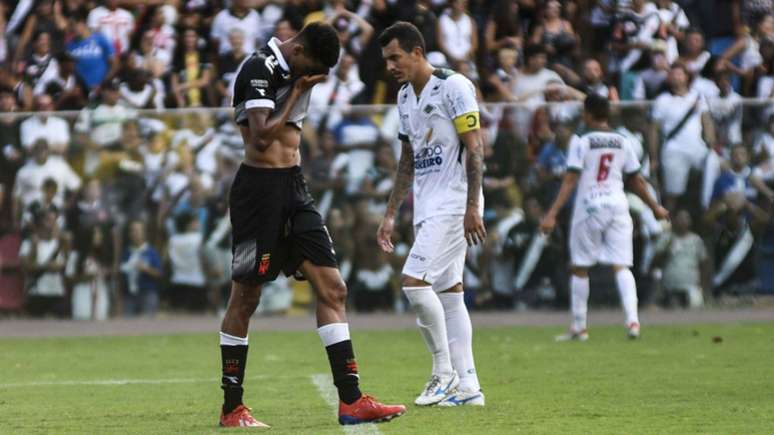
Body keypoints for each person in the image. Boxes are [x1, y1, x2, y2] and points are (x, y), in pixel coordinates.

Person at [220, 22, 405, 428]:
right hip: (257, 195)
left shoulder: (291, 71)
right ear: (298, 49)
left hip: (294, 189)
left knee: (334, 288)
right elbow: (261, 140)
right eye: (310, 68)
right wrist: (299, 94)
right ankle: (232, 407)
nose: (308, 77)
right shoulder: (258, 69)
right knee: (246, 297)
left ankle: (352, 401)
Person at [377, 21, 486, 407]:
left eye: (395, 57)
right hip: (427, 205)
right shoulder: (405, 96)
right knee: (449, 293)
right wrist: (391, 214)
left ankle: (443, 373)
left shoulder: (454, 85)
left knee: (413, 282)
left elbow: (474, 148)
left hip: (456, 203)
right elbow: (407, 160)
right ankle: (469, 387)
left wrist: (472, 206)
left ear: (417, 52)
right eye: (386, 60)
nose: (390, 66)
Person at [540, 94, 669, 341]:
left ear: (587, 114)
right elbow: (636, 180)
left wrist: (552, 213)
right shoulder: (623, 141)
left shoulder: (581, 141)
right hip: (618, 204)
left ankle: (579, 327)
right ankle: (633, 322)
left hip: (589, 205)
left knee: (580, 266)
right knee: (621, 264)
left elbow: (570, 179)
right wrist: (655, 207)